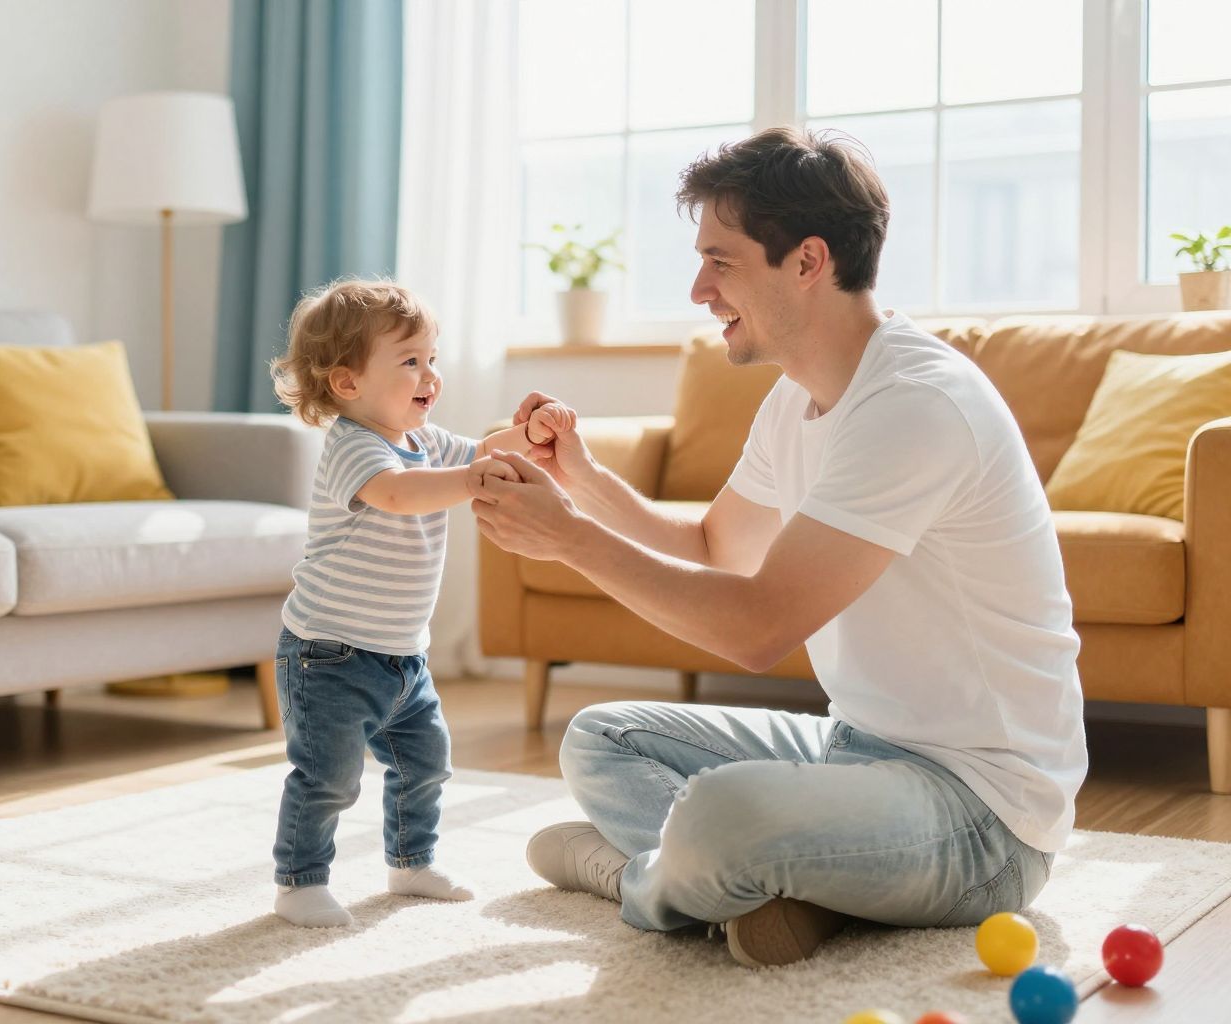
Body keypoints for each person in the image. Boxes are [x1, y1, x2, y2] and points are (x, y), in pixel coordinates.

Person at [465, 127, 1087, 967]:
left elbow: (755, 629)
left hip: (985, 818)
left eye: (720, 261)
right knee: (602, 738)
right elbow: (719, 545)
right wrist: (580, 480)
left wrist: (569, 541)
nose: (696, 288)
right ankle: (767, 887)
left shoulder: (916, 404)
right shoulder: (798, 397)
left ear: (807, 261)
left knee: (727, 815)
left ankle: (637, 881)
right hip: (858, 748)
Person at [267, 279, 575, 928]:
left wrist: (527, 434)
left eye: (432, 359)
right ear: (348, 384)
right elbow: (399, 495)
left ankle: (411, 863)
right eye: (410, 361)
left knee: (425, 765)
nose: (430, 375)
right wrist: (469, 481)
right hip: (329, 656)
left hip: (403, 657)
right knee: (329, 777)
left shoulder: (425, 439)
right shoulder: (355, 446)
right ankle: (299, 880)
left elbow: (485, 453)